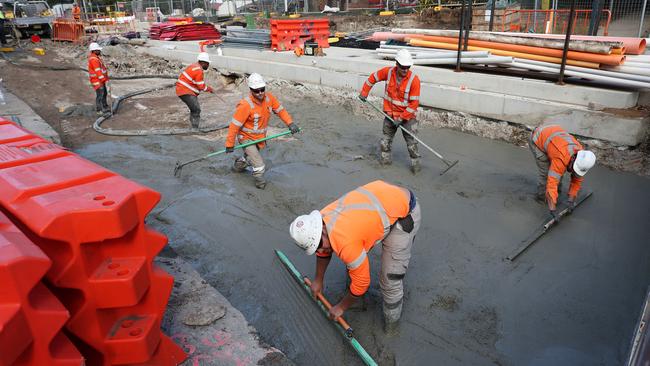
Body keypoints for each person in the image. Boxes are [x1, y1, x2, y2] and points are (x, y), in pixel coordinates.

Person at [289, 180, 421, 333]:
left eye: (318, 245)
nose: (320, 249)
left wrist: (340, 307)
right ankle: (357, 302)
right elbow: (324, 250)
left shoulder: (346, 243)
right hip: (382, 202)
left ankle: (391, 327)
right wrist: (318, 280)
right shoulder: (321, 219)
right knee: (351, 261)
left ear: (321, 229)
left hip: (405, 213)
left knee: (390, 281)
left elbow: (362, 284)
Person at [225, 73, 300, 190]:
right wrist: (229, 144)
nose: (260, 93)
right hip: (246, 139)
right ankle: (260, 185)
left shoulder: (270, 99)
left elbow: (281, 111)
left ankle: (238, 167)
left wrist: (290, 123)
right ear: (251, 90)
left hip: (260, 138)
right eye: (256, 91)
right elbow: (234, 126)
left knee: (250, 159)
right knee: (259, 166)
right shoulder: (245, 105)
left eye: (262, 90)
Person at [359, 49, 422, 173]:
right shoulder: (388, 73)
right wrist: (364, 92)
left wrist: (402, 118)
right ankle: (385, 164)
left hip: (407, 118)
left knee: (412, 145)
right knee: (385, 142)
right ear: (396, 64)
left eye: (407, 67)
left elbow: (414, 104)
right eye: (402, 67)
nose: (405, 70)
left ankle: (416, 167)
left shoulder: (414, 80)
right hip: (390, 114)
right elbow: (372, 78)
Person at [529, 124, 596, 219]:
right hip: (537, 138)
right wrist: (553, 210)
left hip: (552, 135)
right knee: (547, 174)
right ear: (573, 160)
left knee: (559, 172)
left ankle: (554, 196)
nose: (574, 172)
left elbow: (577, 180)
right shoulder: (561, 157)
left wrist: (571, 200)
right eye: (574, 168)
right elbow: (552, 182)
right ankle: (541, 198)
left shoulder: (582, 158)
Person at [175, 52, 214, 129]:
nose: (208, 65)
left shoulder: (194, 66)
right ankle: (194, 128)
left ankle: (194, 126)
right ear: (203, 62)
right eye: (207, 63)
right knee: (196, 109)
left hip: (183, 89)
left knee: (194, 109)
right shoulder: (198, 70)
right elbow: (201, 86)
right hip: (185, 91)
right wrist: (209, 89)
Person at [88, 42, 110, 115]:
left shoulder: (96, 58)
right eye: (98, 50)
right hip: (97, 81)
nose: (99, 51)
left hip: (101, 80)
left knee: (104, 93)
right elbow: (98, 71)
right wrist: (103, 79)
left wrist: (106, 78)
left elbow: (102, 69)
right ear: (94, 51)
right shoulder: (94, 59)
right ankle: (99, 110)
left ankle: (105, 106)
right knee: (100, 95)